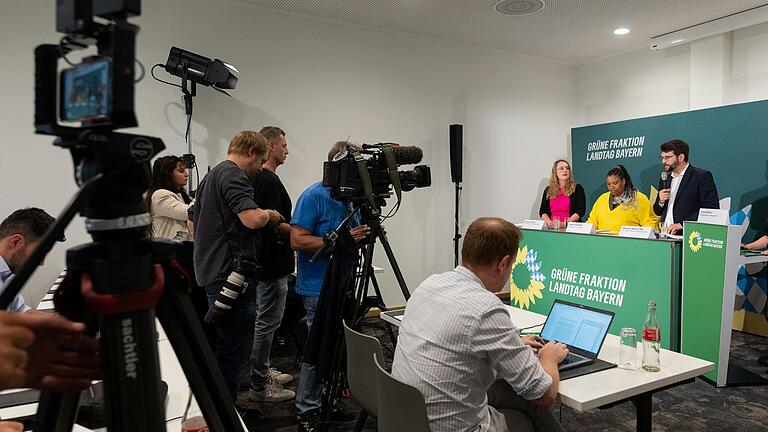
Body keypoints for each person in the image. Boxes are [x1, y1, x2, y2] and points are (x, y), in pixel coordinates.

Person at [392, 217, 568, 432]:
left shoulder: (430, 284)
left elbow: (455, 340)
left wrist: (512, 344)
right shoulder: (487, 309)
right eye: (511, 265)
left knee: (511, 390)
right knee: (532, 403)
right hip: (450, 426)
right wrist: (548, 357)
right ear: (502, 264)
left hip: (405, 415)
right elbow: (544, 394)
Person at [188, 130, 284, 400]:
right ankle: (225, 413)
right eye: (259, 162)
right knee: (233, 352)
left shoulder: (211, 176)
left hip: (211, 272)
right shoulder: (233, 174)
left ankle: (220, 407)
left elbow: (191, 218)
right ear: (252, 153)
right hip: (231, 277)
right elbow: (251, 219)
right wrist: (270, 214)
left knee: (224, 346)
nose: (257, 170)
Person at [292, 141, 370, 432]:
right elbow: (297, 240)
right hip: (318, 288)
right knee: (318, 349)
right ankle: (307, 410)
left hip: (344, 284)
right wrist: (343, 240)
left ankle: (328, 402)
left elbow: (352, 237)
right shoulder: (313, 196)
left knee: (338, 350)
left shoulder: (351, 198)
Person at [246, 126, 295, 403]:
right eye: (283, 145)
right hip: (271, 264)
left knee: (266, 322)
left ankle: (261, 371)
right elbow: (273, 225)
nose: (287, 150)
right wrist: (303, 235)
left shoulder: (263, 179)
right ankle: (259, 385)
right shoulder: (266, 180)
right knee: (266, 323)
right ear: (270, 145)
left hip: (269, 263)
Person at [0, 208, 62, 312]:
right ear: (15, 242)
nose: (41, 263)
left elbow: (22, 311)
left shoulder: (7, 273)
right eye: (39, 254)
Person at [653, 139, 719, 235]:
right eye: (662, 157)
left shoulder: (701, 176)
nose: (663, 161)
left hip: (689, 237)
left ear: (681, 157)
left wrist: (682, 224)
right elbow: (657, 211)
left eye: (667, 157)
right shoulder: (665, 178)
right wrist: (661, 201)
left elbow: (711, 209)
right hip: (665, 235)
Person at [586, 165, 658, 232]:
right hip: (601, 242)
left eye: (615, 183)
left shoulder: (638, 198)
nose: (612, 187)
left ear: (623, 181)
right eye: (609, 184)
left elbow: (650, 223)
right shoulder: (602, 198)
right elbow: (592, 221)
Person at [146, 155, 192, 240]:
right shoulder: (160, 195)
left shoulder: (180, 194)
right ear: (167, 174)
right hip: (170, 249)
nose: (186, 174)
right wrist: (203, 193)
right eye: (181, 171)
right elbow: (188, 212)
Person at [538, 159, 586, 228]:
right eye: (561, 168)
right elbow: (542, 211)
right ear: (555, 172)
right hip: (552, 227)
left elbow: (580, 211)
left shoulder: (577, 188)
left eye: (567, 168)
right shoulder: (548, 190)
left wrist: (564, 224)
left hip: (571, 228)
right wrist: (550, 223)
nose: (565, 170)